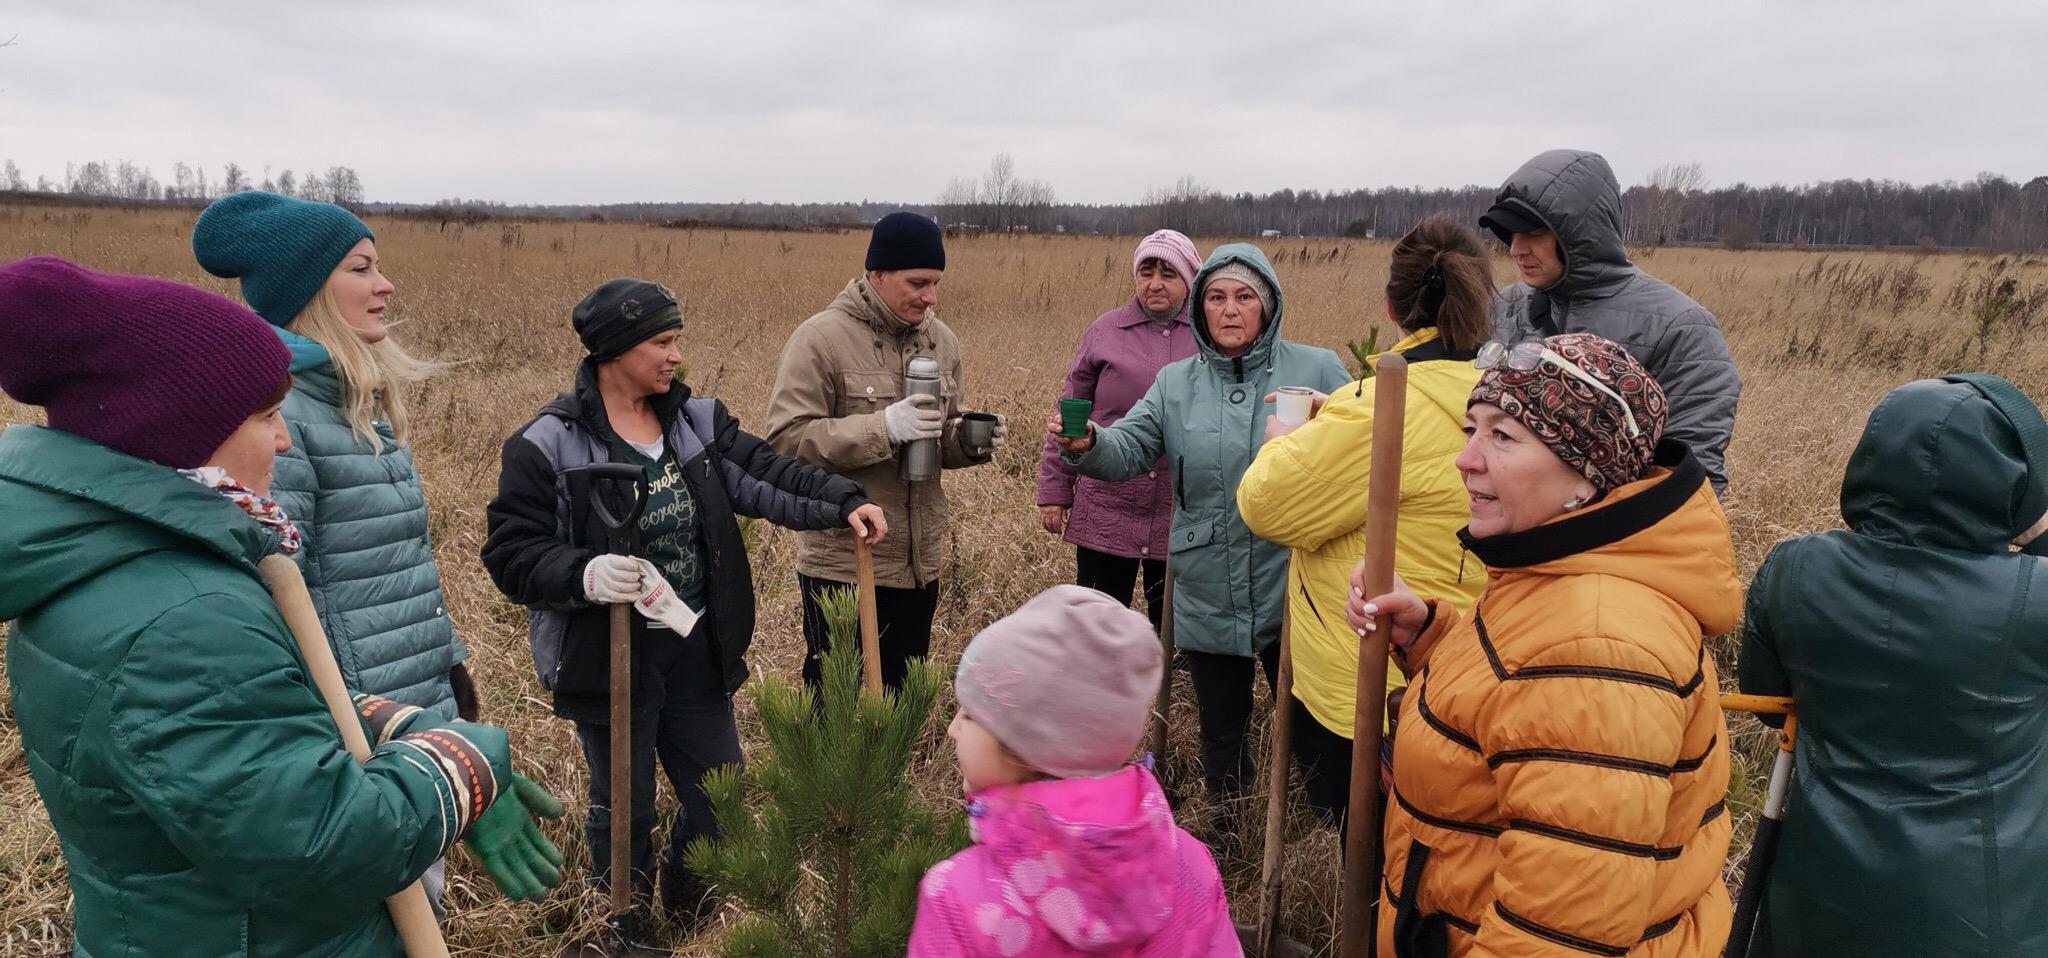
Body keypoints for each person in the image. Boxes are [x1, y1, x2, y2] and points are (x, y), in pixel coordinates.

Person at [0, 257, 562, 958]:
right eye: (267, 415)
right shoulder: (183, 616)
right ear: (181, 432)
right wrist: (461, 761)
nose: (285, 436)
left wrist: (395, 724)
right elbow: (322, 844)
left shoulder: (122, 569)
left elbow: (247, 719)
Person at [481, 277, 884, 953]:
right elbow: (512, 552)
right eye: (661, 342)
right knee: (625, 805)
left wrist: (842, 501)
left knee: (720, 798)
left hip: (694, 643)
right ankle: (624, 924)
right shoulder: (549, 444)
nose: (675, 357)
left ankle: (691, 901)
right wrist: (582, 573)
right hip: (606, 654)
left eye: (677, 342)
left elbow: (764, 475)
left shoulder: (694, 422)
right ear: (614, 350)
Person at [1351, 332, 1736, 956]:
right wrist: (1428, 634)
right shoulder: (1561, 573)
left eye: (1502, 436)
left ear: (1587, 473)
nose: (1466, 459)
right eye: (1471, 428)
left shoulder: (1597, 648)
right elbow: (1521, 703)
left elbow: (1558, 933)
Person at [1737, 374, 2048, 957]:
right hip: (1988, 902)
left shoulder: (1795, 567)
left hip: (1817, 880)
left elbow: (1765, 697)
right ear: (2014, 480)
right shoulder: (2034, 596)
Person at [1049, 243, 1351, 812]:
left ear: (1269, 305)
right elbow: (1131, 447)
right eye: (1216, 297)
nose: (1230, 310)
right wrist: (1089, 444)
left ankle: (1323, 829)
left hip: (1293, 576)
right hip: (1207, 574)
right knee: (1221, 721)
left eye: (1244, 297)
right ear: (1200, 309)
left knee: (1312, 717)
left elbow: (1360, 452)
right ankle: (1230, 825)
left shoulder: (1317, 368)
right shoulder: (1174, 382)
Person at [1235, 215, 1492, 823]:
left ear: (1391, 306)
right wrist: (1342, 421)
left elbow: (1265, 503)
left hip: (1374, 688)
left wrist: (1284, 441)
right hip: (1472, 663)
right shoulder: (1505, 398)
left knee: (1380, 865)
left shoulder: (1378, 407)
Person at [192, 191, 472, 720]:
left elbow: (386, 570)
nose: (384, 284)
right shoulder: (285, 416)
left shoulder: (350, 397)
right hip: (362, 715)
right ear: (311, 290)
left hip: (414, 691)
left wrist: (449, 670)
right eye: (361, 268)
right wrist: (342, 720)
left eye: (379, 267)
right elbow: (274, 586)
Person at [907, 585, 1240, 957]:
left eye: (969, 714)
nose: (952, 729)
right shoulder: (1190, 866)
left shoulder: (957, 897)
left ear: (1031, 746)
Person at [763, 211, 1006, 692]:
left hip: (917, 562)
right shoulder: (820, 340)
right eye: (918, 282)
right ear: (878, 274)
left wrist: (967, 442)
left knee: (896, 702)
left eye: (936, 283)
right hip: (844, 561)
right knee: (833, 701)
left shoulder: (942, 341)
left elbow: (940, 434)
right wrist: (882, 427)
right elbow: (785, 440)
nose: (930, 297)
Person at [1480, 149, 1741, 492]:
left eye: (1533, 232)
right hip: (1502, 530)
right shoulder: (1505, 305)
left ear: (1580, 233)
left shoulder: (1681, 327)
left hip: (1612, 536)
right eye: (1509, 234)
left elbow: (1691, 476)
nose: (1516, 249)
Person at [1036, 230, 1202, 629]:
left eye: (1168, 273)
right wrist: (1055, 491)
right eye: (1146, 272)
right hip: (1107, 504)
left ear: (1191, 280)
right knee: (1098, 624)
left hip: (1179, 507)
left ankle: (1166, 691)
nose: (1155, 284)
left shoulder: (1207, 336)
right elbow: (1068, 410)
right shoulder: (1105, 331)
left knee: (1176, 629)